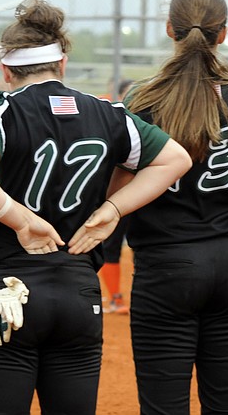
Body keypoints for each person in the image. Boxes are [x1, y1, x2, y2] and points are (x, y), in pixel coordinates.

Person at [0, 0, 191, 415]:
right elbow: (176, 159)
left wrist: (22, 221)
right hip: (78, 291)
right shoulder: (107, 112)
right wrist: (113, 210)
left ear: (6, 70)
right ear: (62, 65)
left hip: (8, 289)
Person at [122, 0, 228, 414]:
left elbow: (118, 191)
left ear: (169, 29)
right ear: (223, 34)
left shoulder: (142, 99)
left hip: (165, 265)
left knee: (164, 406)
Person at [99, 78, 135, 315]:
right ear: (121, 97)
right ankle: (115, 297)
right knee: (111, 243)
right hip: (116, 190)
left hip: (142, 192)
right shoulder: (110, 119)